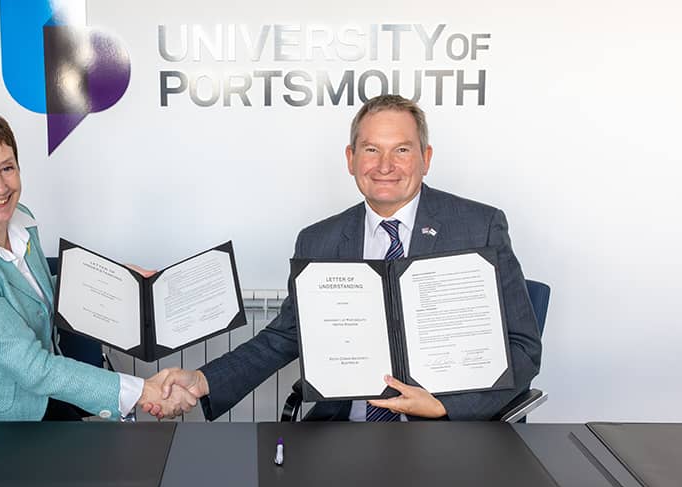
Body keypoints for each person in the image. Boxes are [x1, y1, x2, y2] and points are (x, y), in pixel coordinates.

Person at [148, 95, 542, 422]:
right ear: (351, 158)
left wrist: (446, 406)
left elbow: (523, 346)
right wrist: (202, 379)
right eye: (372, 150)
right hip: (342, 431)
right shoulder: (319, 241)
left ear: (426, 157)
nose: (385, 166)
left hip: (447, 434)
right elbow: (284, 337)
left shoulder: (479, 226)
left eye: (401, 150)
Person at [0, 104, 195, 421]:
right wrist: (144, 391)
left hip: (38, 398)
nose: (0, 186)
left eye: (7, 168)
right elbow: (32, 366)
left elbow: (34, 294)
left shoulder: (21, 220)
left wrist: (119, 280)